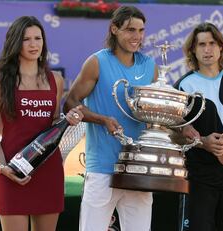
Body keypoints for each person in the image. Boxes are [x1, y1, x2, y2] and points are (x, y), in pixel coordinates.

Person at [0, 16, 83, 231]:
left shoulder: (55, 79)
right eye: (26, 39)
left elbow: (53, 123)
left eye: (38, 38)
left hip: (48, 171)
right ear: (15, 42)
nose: (33, 44)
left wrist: (69, 120)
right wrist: (3, 167)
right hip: (12, 168)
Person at [64, 6, 158, 231]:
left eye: (141, 30)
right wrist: (101, 119)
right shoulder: (97, 62)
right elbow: (70, 101)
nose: (137, 36)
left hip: (139, 169)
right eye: (130, 30)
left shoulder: (150, 66)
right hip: (102, 168)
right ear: (114, 29)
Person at [174, 22, 223, 231]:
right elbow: (175, 134)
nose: (207, 49)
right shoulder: (184, 86)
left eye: (212, 43)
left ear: (220, 47)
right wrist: (203, 143)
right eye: (201, 44)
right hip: (200, 176)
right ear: (193, 50)